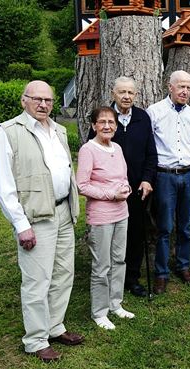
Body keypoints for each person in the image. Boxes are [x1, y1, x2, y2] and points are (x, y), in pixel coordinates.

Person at [0, 81, 83, 362]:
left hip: (63, 213)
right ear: (24, 101)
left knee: (63, 274)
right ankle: (35, 340)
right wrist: (21, 224)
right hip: (35, 217)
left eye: (48, 100)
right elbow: (1, 184)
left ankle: (55, 326)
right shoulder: (9, 133)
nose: (43, 105)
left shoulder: (59, 131)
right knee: (37, 280)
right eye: (37, 99)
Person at [88, 76, 158, 298]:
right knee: (109, 238)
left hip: (136, 190)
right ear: (113, 93)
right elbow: (92, 150)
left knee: (136, 235)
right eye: (122, 92)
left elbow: (151, 154)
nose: (126, 96)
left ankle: (132, 278)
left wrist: (147, 179)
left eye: (130, 93)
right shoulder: (104, 118)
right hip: (109, 193)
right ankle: (108, 280)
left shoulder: (142, 118)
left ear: (135, 95)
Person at [77, 107, 136, 330]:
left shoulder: (117, 148)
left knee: (119, 260)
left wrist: (125, 188)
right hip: (101, 216)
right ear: (94, 126)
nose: (107, 126)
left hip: (122, 212)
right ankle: (99, 312)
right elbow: (82, 186)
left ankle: (115, 304)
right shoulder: (88, 150)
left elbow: (121, 176)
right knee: (101, 265)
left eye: (111, 122)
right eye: (102, 122)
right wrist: (111, 194)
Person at [147, 70, 190, 294]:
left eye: (188, 87)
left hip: (188, 174)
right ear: (170, 87)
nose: (185, 91)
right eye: (181, 86)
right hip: (165, 175)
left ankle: (183, 265)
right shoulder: (155, 112)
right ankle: (161, 272)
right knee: (165, 227)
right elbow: (148, 147)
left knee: (185, 226)